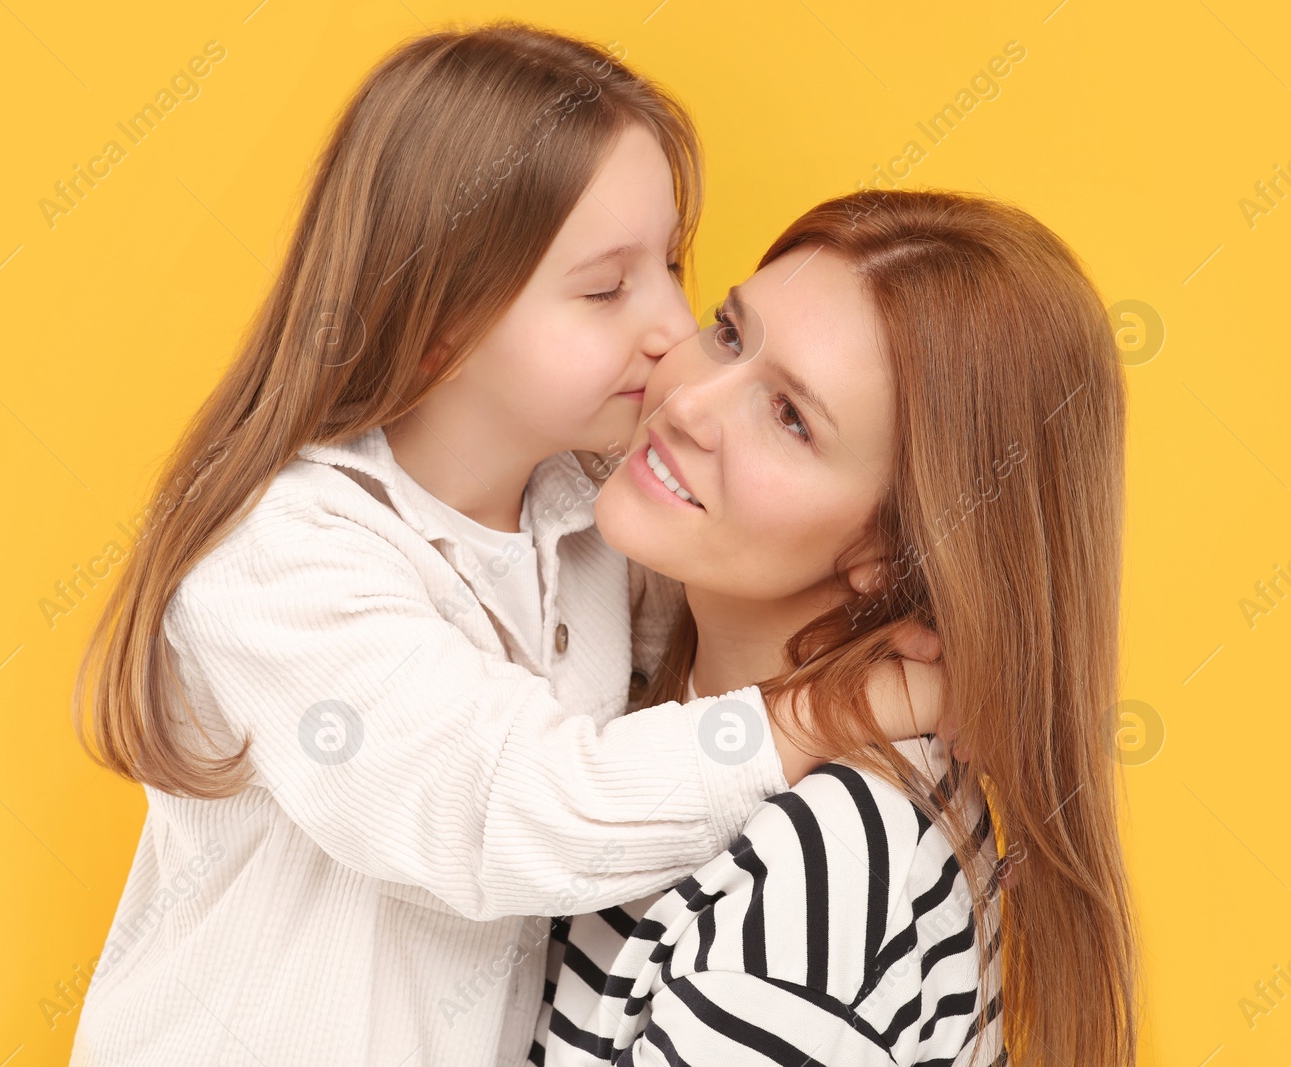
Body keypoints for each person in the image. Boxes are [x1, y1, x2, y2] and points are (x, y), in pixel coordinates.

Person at [67, 24, 940, 1066]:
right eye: (605, 288)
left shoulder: (585, 523)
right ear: (439, 320)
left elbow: (746, 623)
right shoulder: (286, 558)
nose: (671, 325)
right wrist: (855, 706)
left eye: (669, 264)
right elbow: (510, 808)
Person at [535, 189, 1138, 1067]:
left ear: (894, 552)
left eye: (789, 417)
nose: (689, 403)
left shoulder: (815, 894)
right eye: (731, 333)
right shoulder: (642, 662)